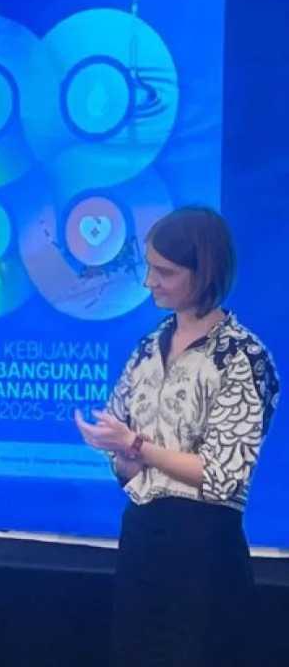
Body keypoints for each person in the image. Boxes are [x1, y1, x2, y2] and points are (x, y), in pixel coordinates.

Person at [74, 207, 279, 666]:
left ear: (203, 272)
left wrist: (138, 447)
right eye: (149, 268)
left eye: (165, 272)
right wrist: (119, 453)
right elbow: (124, 446)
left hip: (204, 552)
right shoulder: (148, 348)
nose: (150, 282)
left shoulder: (242, 358)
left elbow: (223, 476)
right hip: (142, 541)